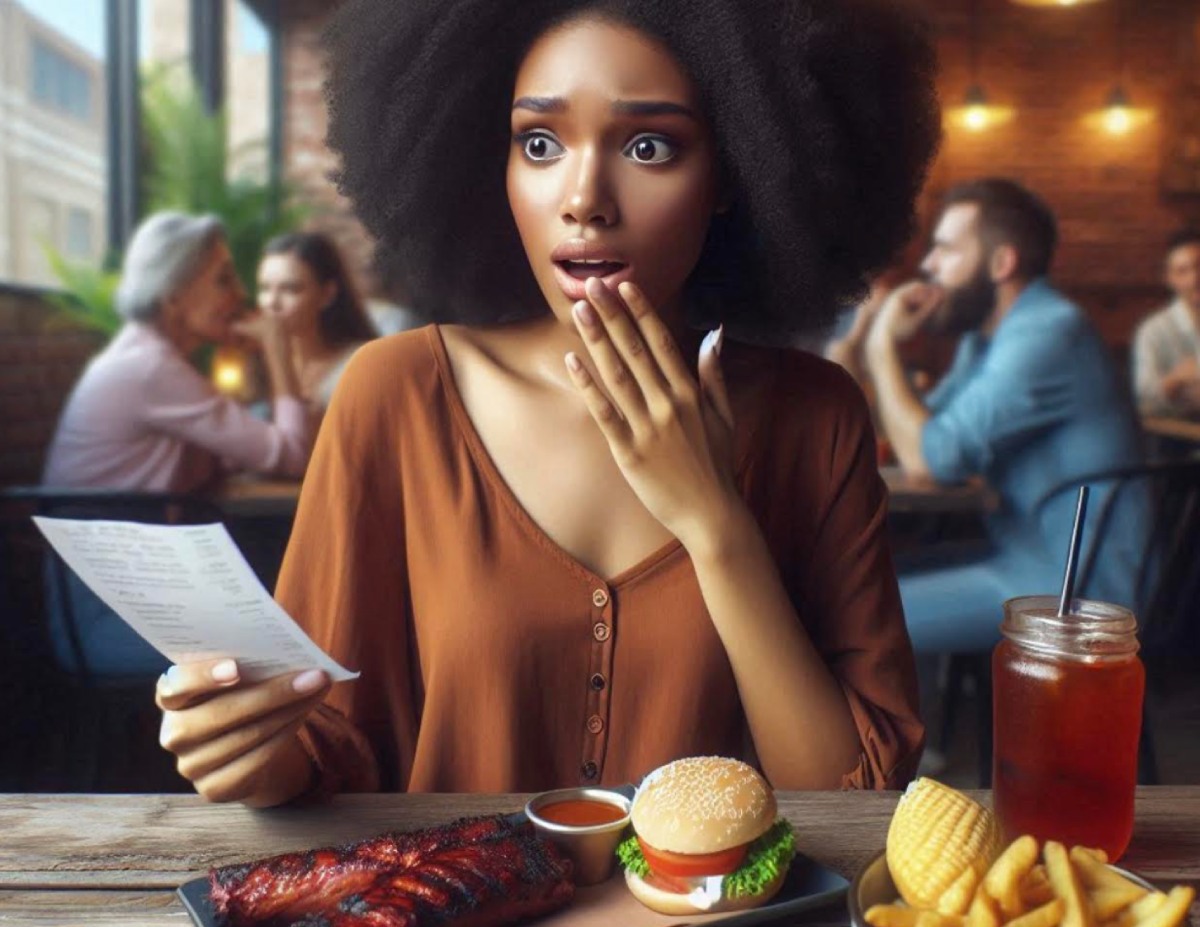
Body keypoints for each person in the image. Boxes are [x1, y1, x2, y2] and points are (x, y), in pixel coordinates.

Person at [154, 0, 942, 805]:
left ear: (736, 175)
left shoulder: (817, 417)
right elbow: (326, 739)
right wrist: (251, 753)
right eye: (540, 143)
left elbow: (856, 795)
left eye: (649, 145)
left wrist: (716, 524)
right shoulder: (397, 393)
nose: (584, 198)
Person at [856, 178, 1146, 654]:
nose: (928, 266)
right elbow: (915, 434)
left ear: (1000, 263)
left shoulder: (1049, 331)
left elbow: (929, 459)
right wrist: (859, 341)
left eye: (945, 250)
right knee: (858, 581)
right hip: (1021, 559)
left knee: (844, 619)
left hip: (1080, 594)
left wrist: (881, 345)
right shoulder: (985, 339)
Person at [41, 212, 314, 677]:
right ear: (173, 295)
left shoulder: (146, 357)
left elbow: (233, 453)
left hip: (133, 591)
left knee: (287, 600)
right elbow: (292, 455)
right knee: (302, 635)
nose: (241, 296)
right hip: (108, 615)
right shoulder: (150, 368)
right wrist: (278, 349)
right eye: (223, 280)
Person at [256, 232, 378, 410]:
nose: (272, 302)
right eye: (265, 288)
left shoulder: (360, 365)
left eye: (290, 289)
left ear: (327, 294)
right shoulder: (255, 365)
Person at [1131, 229, 1200, 417]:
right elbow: (1143, 397)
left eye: (1199, 267)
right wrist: (1176, 379)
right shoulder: (1153, 330)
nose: (1195, 279)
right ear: (1170, 279)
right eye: (1182, 271)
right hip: (1177, 434)